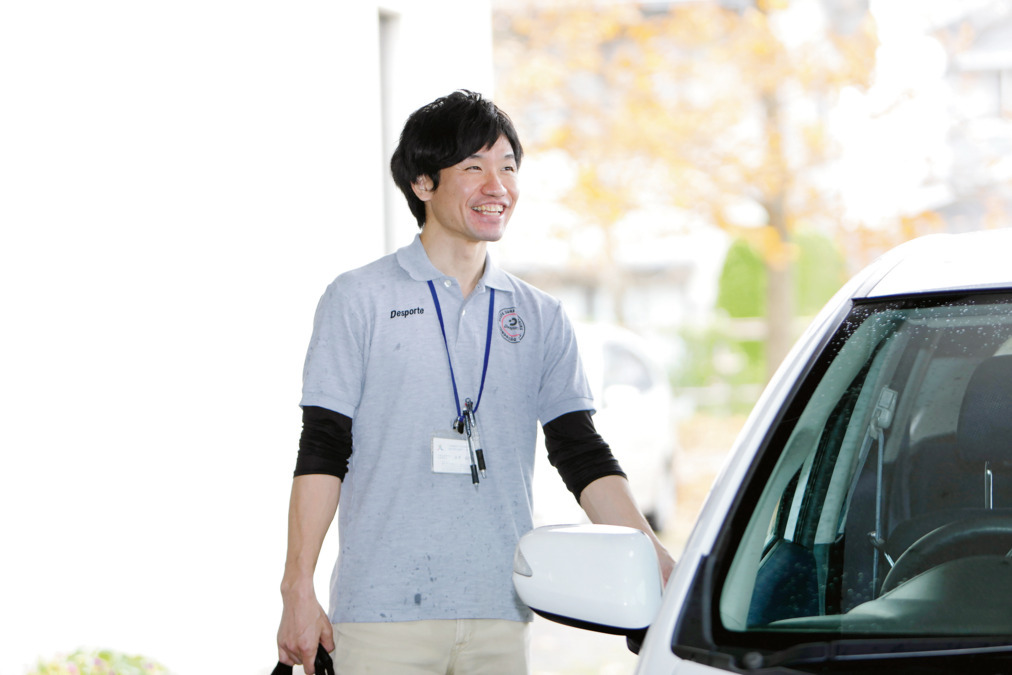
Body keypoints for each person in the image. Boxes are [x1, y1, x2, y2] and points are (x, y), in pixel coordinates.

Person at [276, 89, 675, 674]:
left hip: (500, 614)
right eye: (473, 168)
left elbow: (581, 453)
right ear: (422, 183)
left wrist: (655, 560)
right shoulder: (357, 299)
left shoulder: (540, 316)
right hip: (382, 617)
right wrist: (297, 589)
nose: (499, 187)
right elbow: (323, 450)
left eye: (508, 168)